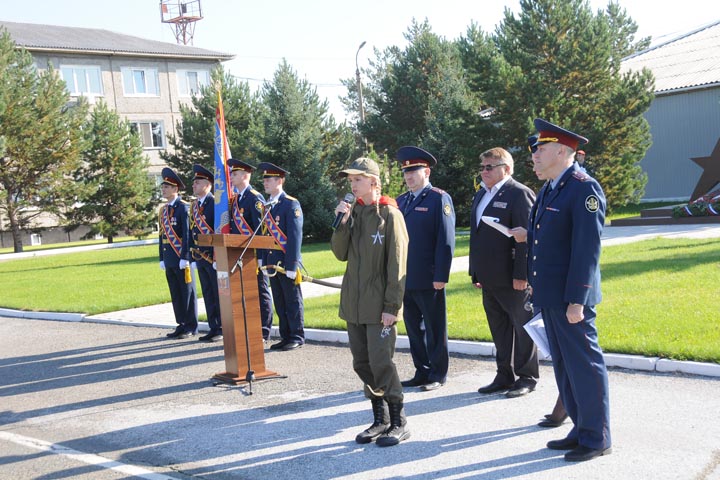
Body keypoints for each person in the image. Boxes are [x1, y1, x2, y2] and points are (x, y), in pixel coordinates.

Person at [518, 118, 611, 462]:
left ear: (562, 150)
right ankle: (579, 427)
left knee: (584, 366)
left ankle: (597, 437)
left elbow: (587, 249)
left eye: (540, 150)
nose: (535, 157)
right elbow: (542, 243)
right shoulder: (550, 188)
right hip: (550, 295)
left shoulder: (583, 188)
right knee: (566, 367)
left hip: (570, 298)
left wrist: (578, 299)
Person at [331, 157, 410, 447]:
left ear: (374, 182)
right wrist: (341, 221)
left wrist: (392, 308)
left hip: (379, 307)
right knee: (362, 363)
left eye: (358, 180)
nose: (352, 185)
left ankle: (399, 421)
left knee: (381, 363)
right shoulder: (354, 214)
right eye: (350, 180)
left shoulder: (390, 214)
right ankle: (381, 419)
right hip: (354, 303)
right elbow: (340, 254)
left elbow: (397, 265)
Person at [469, 147, 539, 398]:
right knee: (499, 329)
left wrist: (523, 275)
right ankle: (504, 374)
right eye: (482, 167)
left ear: (506, 169)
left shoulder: (519, 194)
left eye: (489, 167)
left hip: (513, 278)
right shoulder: (481, 195)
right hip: (489, 278)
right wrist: (475, 273)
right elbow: (477, 238)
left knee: (522, 328)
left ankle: (527, 376)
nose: (483, 171)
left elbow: (526, 240)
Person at [395, 146, 455, 392]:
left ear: (426, 171)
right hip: (405, 277)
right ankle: (422, 370)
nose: (408, 176)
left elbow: (446, 240)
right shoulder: (401, 201)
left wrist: (441, 275)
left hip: (429, 277)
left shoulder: (439, 198)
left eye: (414, 171)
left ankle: (438, 373)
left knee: (434, 327)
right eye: (406, 172)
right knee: (413, 328)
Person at [257, 162, 305, 351]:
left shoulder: (290, 204)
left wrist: (293, 265)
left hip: (285, 262)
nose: (265, 182)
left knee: (292, 300)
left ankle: (296, 335)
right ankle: (285, 335)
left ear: (280, 181)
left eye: (269, 179)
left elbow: (294, 237)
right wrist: (262, 258)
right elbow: (263, 234)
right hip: (271, 263)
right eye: (265, 179)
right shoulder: (267, 205)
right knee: (279, 299)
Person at [228, 158, 274, 343]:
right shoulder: (237, 199)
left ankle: (263, 330)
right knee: (245, 294)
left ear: (245, 176)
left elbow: (261, 230)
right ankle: (249, 328)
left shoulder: (255, 198)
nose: (231, 177)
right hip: (240, 255)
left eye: (235, 174)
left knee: (260, 293)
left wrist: (262, 258)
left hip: (254, 256)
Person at [158, 167, 198, 339]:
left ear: (175, 189)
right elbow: (162, 235)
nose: (163, 189)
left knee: (187, 292)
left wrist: (186, 257)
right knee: (175, 292)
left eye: (166, 187)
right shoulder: (164, 210)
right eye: (163, 187)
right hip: (169, 258)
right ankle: (181, 323)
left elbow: (188, 235)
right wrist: (161, 257)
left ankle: (190, 326)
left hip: (181, 258)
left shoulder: (184, 208)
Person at [188, 164, 222, 342]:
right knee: (208, 293)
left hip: (212, 256)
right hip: (199, 256)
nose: (193, 185)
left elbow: (219, 230)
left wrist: (217, 256)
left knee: (217, 293)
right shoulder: (193, 206)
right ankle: (213, 326)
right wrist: (190, 256)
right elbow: (190, 232)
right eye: (194, 182)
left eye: (198, 182)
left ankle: (221, 327)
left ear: (208, 185)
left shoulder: (215, 203)